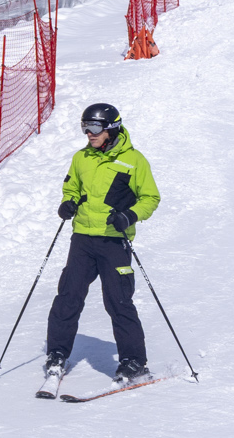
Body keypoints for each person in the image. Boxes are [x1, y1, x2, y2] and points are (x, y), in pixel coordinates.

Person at [43, 103, 158, 389]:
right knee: (68, 296)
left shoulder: (134, 160)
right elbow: (71, 187)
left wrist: (129, 215)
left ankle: (134, 362)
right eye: (85, 127)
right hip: (82, 238)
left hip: (113, 240)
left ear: (111, 128)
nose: (89, 133)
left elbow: (150, 198)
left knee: (118, 301)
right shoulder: (81, 158)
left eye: (94, 127)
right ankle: (57, 354)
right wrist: (68, 203)